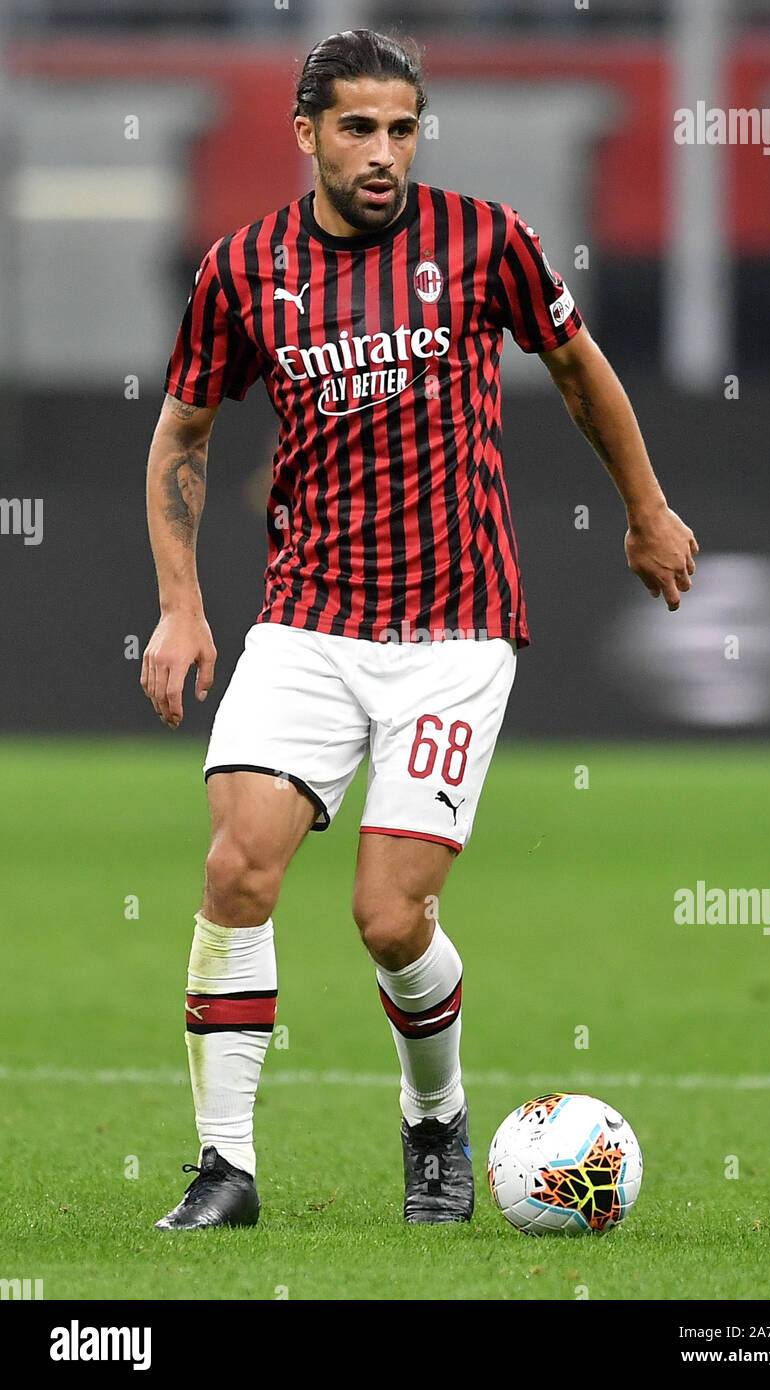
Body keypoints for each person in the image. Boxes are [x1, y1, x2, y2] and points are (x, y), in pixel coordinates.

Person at [141, 28, 697, 1230]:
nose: (383, 152)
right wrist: (182, 606)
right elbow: (182, 433)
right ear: (306, 135)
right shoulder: (243, 270)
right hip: (306, 620)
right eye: (357, 128)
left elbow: (578, 365)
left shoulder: (483, 240)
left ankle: (433, 1117)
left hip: (455, 629)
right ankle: (223, 1168)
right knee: (236, 866)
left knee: (389, 917)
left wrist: (645, 513)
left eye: (401, 127)